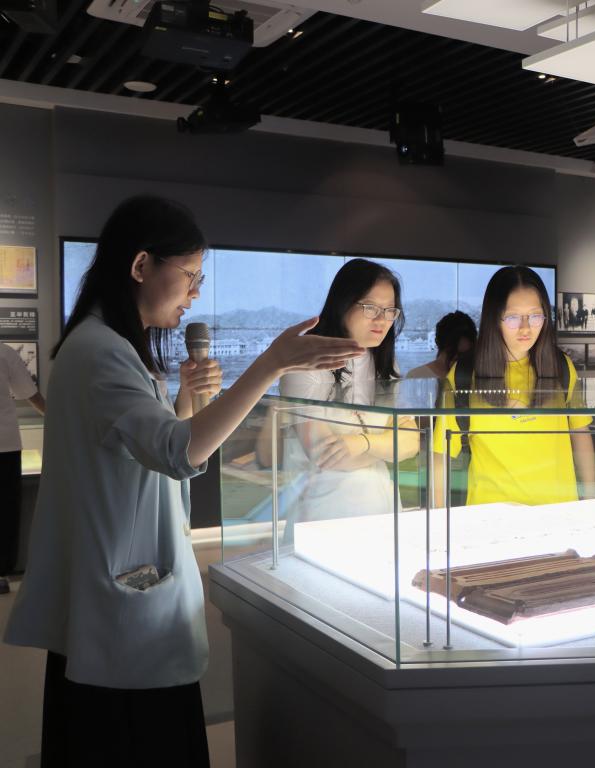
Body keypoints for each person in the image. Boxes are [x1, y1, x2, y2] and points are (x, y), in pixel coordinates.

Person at [3, 196, 363, 767]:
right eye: (190, 275)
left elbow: (153, 442)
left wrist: (190, 396)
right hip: (122, 614)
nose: (194, 293)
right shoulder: (101, 352)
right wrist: (270, 364)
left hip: (116, 598)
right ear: (141, 265)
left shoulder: (106, 345)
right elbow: (178, 452)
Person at [433, 265, 594, 506]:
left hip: (557, 513)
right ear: (494, 318)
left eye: (535, 316)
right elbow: (441, 454)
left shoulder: (561, 367)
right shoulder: (464, 375)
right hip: (492, 517)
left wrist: (591, 500)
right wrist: (438, 517)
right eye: (513, 317)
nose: (525, 328)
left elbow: (581, 434)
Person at [280, 259, 420, 533]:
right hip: (321, 520)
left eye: (390, 311)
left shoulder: (385, 363)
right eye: (371, 308)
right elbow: (327, 454)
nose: (382, 320)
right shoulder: (306, 363)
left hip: (382, 513)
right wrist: (387, 447)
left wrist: (361, 444)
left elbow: (412, 443)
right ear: (343, 303)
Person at [0, 342, 45, 595]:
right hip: (4, 445)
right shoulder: (4, 353)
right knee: (6, 512)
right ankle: (1, 572)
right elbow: (31, 395)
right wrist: (59, 418)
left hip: (6, 444)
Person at [406, 310, 477, 379]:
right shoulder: (416, 376)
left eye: (466, 354)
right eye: (454, 352)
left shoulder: (416, 375)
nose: (457, 360)